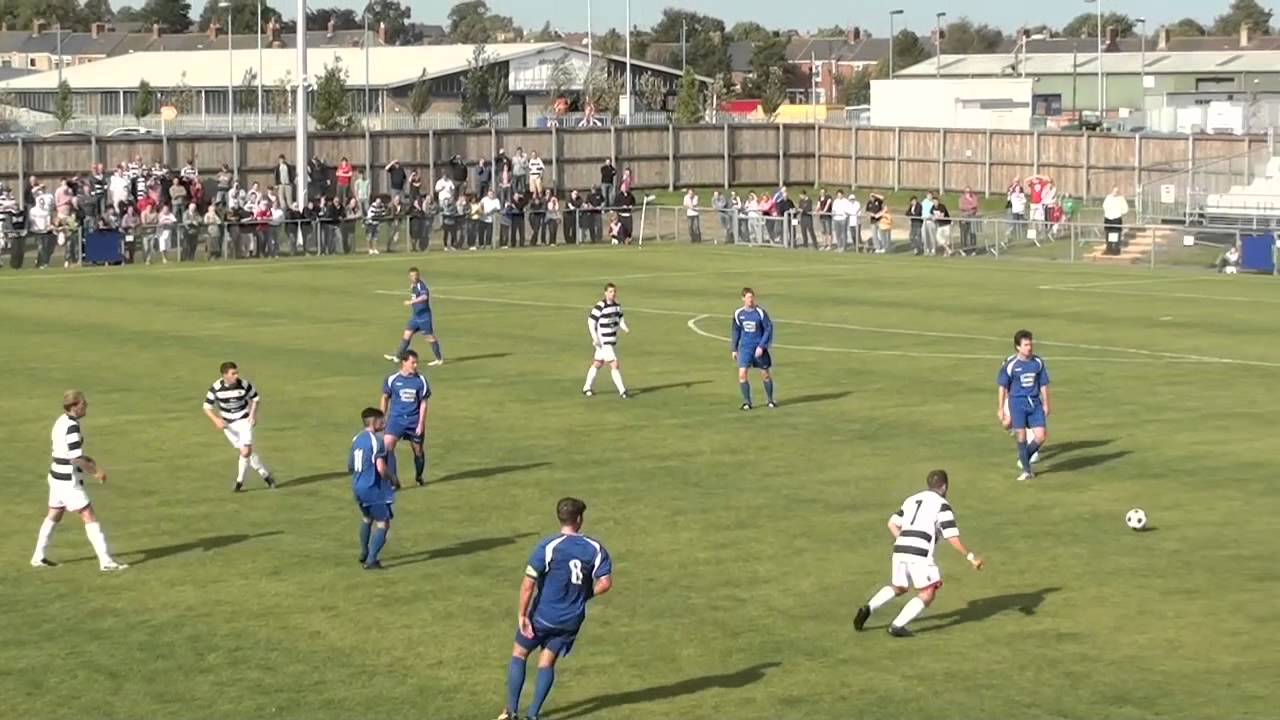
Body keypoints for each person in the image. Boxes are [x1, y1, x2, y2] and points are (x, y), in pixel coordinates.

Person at [498, 497, 613, 720]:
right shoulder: (595, 548)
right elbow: (605, 583)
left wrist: (522, 614)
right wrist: (583, 595)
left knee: (520, 654)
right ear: (579, 519)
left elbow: (528, 583)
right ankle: (533, 715)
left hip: (543, 616)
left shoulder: (548, 546)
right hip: (571, 620)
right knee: (547, 661)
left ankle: (511, 712)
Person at [852, 469, 984, 637]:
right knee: (928, 592)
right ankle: (897, 626)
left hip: (900, 548)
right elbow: (952, 537)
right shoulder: (942, 505)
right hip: (919, 552)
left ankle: (868, 608)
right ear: (944, 487)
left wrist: (904, 540)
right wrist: (971, 557)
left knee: (899, 587)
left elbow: (891, 523)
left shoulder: (912, 499)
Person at [30, 390, 128, 571]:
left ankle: (38, 557)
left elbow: (66, 452)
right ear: (74, 406)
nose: (86, 405)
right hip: (68, 480)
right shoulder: (73, 427)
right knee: (88, 515)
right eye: (83, 403)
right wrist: (96, 472)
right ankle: (106, 562)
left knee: (54, 514)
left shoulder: (61, 421)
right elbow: (76, 459)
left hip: (55, 475)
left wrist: (85, 458)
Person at [203, 362, 275, 492]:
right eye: (233, 373)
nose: (236, 376)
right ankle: (266, 476)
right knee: (247, 453)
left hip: (243, 420)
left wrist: (252, 415)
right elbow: (206, 407)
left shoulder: (244, 384)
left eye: (236, 373)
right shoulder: (216, 388)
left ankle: (239, 481)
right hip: (227, 425)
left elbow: (256, 398)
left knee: (245, 452)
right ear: (225, 375)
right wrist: (216, 420)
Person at [997, 330, 1051, 481]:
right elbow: (1002, 386)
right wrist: (1001, 408)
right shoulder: (1011, 365)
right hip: (1017, 403)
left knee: (1041, 436)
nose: (1029, 347)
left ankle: (1024, 458)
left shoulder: (1038, 362)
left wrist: (1047, 404)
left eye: (1030, 344)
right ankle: (1027, 471)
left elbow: (1044, 384)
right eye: (1026, 344)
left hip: (1034, 403)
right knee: (1021, 437)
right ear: (1018, 347)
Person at [348, 407, 396, 570]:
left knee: (367, 519)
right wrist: (393, 479)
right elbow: (381, 468)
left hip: (357, 486)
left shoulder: (356, 439)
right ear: (374, 421)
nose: (384, 423)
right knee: (383, 524)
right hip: (371, 488)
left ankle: (363, 552)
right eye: (382, 420)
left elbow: (351, 466)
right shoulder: (377, 441)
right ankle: (371, 560)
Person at [380, 350, 430, 488]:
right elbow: (385, 398)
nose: (415, 365)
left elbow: (424, 403)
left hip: (413, 421)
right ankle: (394, 480)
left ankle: (419, 476)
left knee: (418, 450)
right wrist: (381, 418)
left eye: (416, 363)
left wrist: (421, 424)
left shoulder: (420, 380)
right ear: (404, 362)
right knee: (387, 445)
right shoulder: (392, 379)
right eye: (412, 362)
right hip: (396, 419)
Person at [385, 266, 444, 366]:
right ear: (409, 276)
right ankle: (398, 357)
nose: (414, 277)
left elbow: (425, 296)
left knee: (430, 338)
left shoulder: (421, 285)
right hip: (416, 317)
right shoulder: (413, 285)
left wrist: (411, 301)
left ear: (418, 275)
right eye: (412, 276)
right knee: (407, 335)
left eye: (416, 275)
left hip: (424, 317)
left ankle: (439, 359)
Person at [730, 287, 776, 410]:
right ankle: (747, 402)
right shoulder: (738, 314)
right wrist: (734, 349)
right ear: (743, 299)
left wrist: (761, 346)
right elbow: (736, 331)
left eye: (752, 297)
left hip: (759, 349)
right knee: (742, 374)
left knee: (765, 374)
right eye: (748, 297)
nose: (751, 300)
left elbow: (768, 329)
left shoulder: (760, 312)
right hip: (745, 348)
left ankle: (770, 400)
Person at [582, 283, 630, 399]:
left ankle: (586, 387)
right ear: (605, 293)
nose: (613, 294)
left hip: (611, 340)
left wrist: (624, 327)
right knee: (614, 364)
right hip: (604, 342)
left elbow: (620, 318)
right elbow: (591, 322)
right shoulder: (600, 306)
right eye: (610, 292)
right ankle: (622, 391)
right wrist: (595, 338)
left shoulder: (617, 305)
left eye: (614, 291)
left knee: (598, 363)